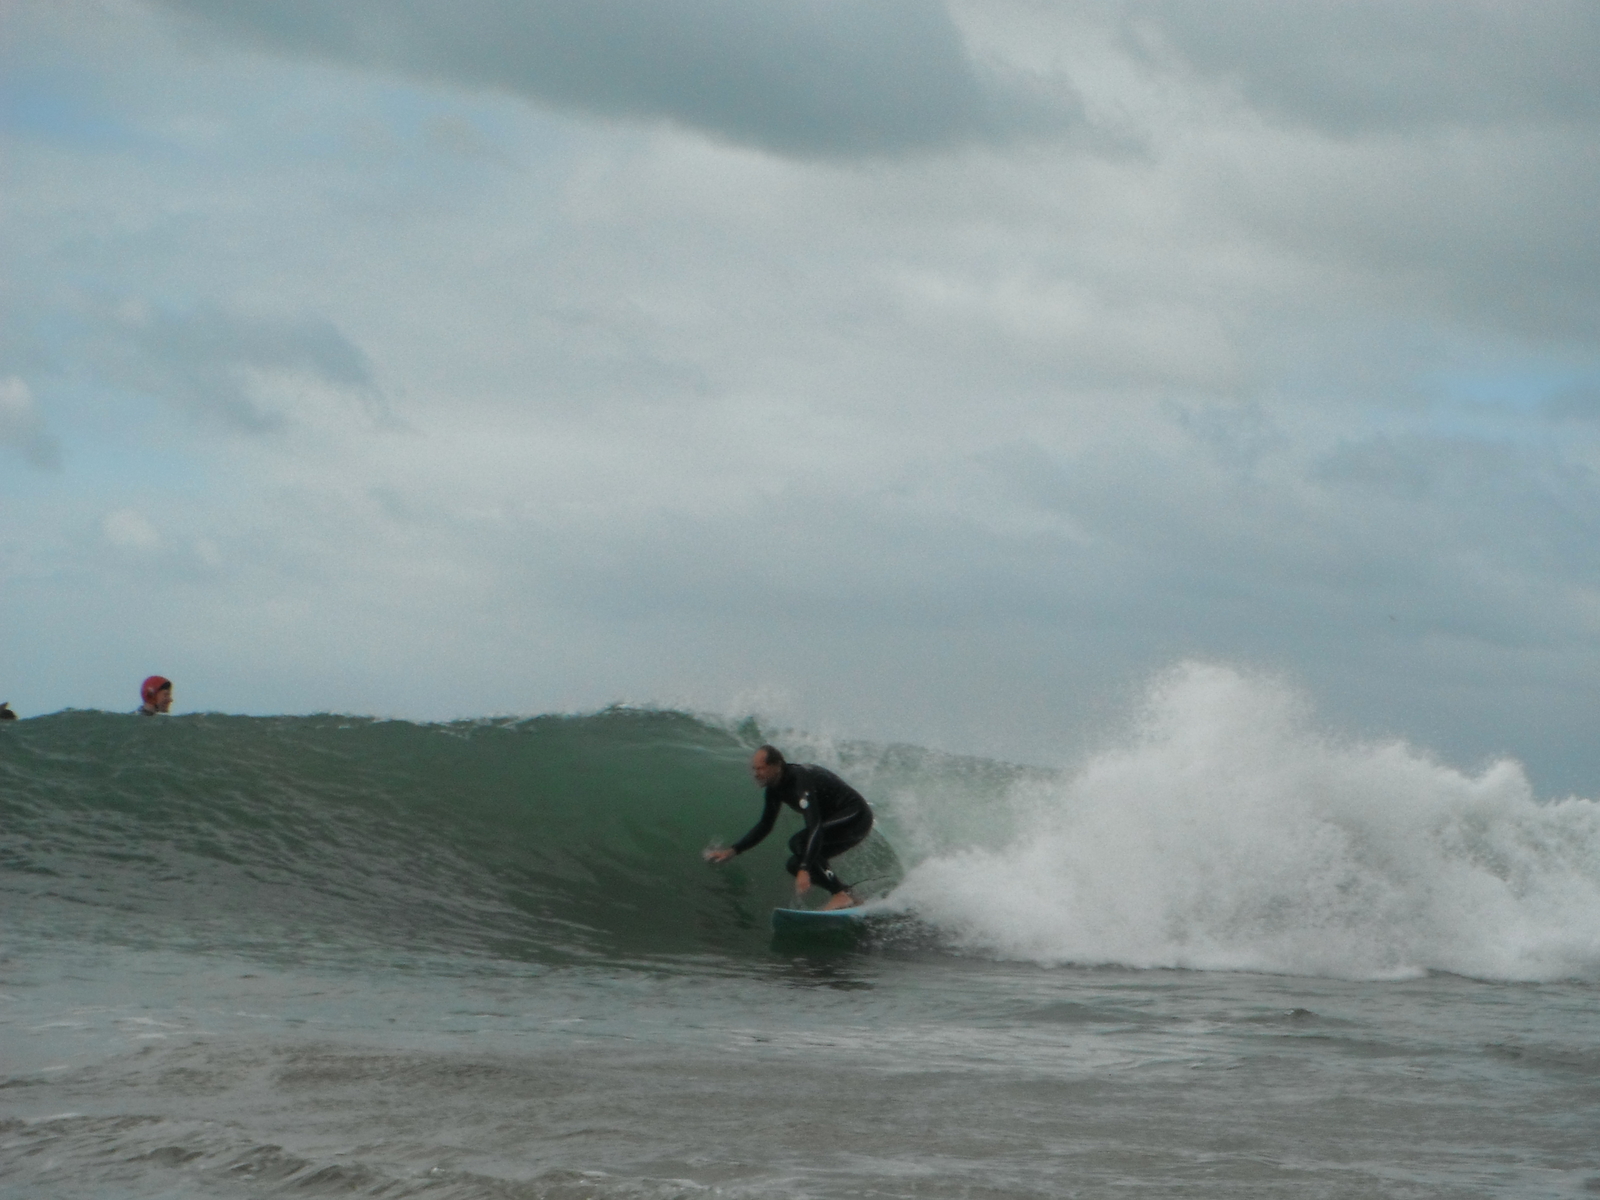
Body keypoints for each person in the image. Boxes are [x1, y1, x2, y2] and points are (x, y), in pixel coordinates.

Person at [704, 745, 874, 910]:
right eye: (754, 769)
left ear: (777, 765)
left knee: (799, 843)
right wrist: (733, 851)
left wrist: (805, 869)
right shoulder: (774, 789)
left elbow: (814, 827)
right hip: (837, 822)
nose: (756, 774)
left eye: (760, 769)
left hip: (857, 816)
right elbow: (765, 825)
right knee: (794, 864)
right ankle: (849, 895)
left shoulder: (799, 780)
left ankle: (840, 894)